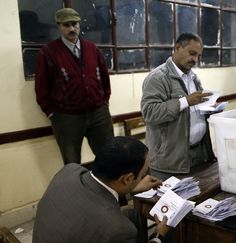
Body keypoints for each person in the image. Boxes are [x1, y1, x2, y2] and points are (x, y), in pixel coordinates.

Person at [33, 136, 170, 243]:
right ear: (127, 179)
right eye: (142, 174)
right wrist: (158, 235)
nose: (143, 177)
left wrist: (132, 187)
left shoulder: (69, 171)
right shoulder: (118, 230)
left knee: (133, 215)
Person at [35, 8, 113, 164]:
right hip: (67, 117)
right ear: (59, 26)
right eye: (66, 25)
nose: (72, 29)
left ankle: (107, 189)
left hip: (98, 113)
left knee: (109, 157)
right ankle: (77, 189)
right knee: (72, 163)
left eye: (74, 24)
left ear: (79, 24)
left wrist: (104, 101)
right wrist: (52, 113)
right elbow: (41, 87)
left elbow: (104, 78)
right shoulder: (48, 52)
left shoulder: (92, 49)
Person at [140, 33, 216, 181]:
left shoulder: (193, 77)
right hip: (170, 160)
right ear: (177, 48)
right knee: (170, 203)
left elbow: (193, 110)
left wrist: (210, 108)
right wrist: (185, 101)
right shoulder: (158, 78)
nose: (195, 60)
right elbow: (150, 113)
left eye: (198, 56)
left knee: (195, 200)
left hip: (198, 153)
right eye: (192, 54)